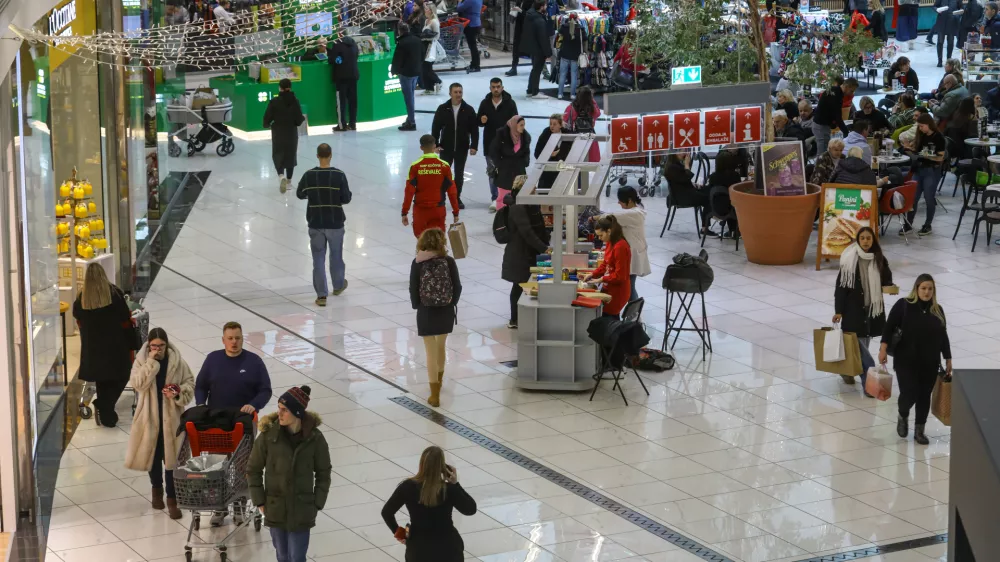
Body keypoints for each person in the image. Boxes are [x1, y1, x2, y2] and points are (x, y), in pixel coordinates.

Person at [247, 385, 332, 562]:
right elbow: (253, 469)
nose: (279, 413)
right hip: (275, 507)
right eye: (279, 408)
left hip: (302, 508)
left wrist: (317, 502)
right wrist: (260, 500)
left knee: (297, 557)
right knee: (282, 556)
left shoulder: (315, 439)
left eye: (284, 410)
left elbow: (323, 472)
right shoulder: (268, 436)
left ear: (298, 413)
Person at [124, 327, 194, 520]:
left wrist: (178, 392)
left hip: (172, 419)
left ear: (167, 344)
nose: (158, 349)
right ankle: (157, 490)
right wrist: (151, 363)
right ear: (148, 345)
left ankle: (172, 499)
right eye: (154, 346)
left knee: (172, 460)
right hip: (149, 418)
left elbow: (190, 383)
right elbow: (138, 384)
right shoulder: (142, 360)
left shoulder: (177, 361)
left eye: (161, 345)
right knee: (152, 457)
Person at [878, 274, 952, 445]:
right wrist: (883, 348)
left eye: (930, 289)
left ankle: (920, 430)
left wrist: (948, 357)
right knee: (909, 392)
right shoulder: (904, 305)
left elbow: (943, 336)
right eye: (923, 288)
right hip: (906, 360)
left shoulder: (937, 310)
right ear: (916, 289)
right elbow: (888, 327)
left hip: (930, 361)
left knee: (924, 395)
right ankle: (903, 414)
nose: (926, 292)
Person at [381, 446, 477, 562]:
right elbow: (470, 509)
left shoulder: (407, 487)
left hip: (418, 550)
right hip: (448, 549)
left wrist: (400, 534)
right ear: (442, 467)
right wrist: (455, 484)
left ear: (421, 464)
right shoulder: (448, 489)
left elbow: (387, 512)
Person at [73, 263, 134, 428]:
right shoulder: (113, 293)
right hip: (115, 345)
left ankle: (106, 412)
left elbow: (77, 317)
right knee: (123, 375)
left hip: (93, 348)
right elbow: (124, 318)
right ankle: (104, 406)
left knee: (102, 380)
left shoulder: (82, 297)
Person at [833, 227, 893, 393]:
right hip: (853, 310)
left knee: (861, 345)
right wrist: (838, 310)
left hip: (872, 310)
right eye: (863, 238)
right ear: (858, 240)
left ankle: (847, 371)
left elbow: (887, 277)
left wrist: (890, 286)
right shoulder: (849, 260)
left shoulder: (879, 258)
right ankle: (869, 381)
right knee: (861, 350)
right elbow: (841, 288)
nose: (866, 241)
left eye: (869, 238)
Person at [409, 229, 462, 407]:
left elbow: (413, 288)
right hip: (445, 310)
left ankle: (434, 395)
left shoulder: (417, 263)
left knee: (430, 353)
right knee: (441, 346)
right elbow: (457, 286)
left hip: (426, 311)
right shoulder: (448, 261)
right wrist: (451, 303)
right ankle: (439, 381)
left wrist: (418, 306)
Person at [296, 143, 352, 305]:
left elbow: (300, 194)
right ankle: (338, 285)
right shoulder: (339, 175)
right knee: (336, 256)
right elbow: (346, 198)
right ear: (331, 155)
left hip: (316, 222)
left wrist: (312, 195)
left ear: (317, 156)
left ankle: (321, 295)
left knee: (318, 260)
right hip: (335, 222)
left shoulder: (309, 175)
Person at [502, 180, 550, 329]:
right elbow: (527, 232)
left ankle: (522, 317)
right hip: (520, 253)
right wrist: (544, 248)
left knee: (524, 284)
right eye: (533, 189)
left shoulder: (527, 203)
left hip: (527, 251)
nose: (535, 191)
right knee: (519, 284)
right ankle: (515, 319)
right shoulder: (517, 207)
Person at [431, 84, 479, 209]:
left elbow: (474, 129)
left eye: (460, 92)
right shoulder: (442, 109)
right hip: (446, 147)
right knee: (443, 174)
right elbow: (436, 127)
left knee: (459, 174)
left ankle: (456, 198)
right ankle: (441, 198)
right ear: (450, 93)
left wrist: (474, 145)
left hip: (462, 147)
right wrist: (435, 145)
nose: (458, 94)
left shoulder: (468, 110)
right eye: (456, 92)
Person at [403, 135, 460, 238]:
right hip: (438, 209)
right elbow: (452, 192)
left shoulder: (415, 166)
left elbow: (409, 192)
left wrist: (404, 212)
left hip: (420, 210)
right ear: (434, 146)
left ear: (421, 148)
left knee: (422, 242)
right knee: (438, 241)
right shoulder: (444, 166)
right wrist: (455, 212)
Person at [477, 78, 519, 211]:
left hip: (506, 145)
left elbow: (517, 123)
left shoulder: (510, 104)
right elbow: (478, 121)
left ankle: (506, 197)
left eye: (498, 87)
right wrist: (481, 120)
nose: (496, 89)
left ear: (502, 87)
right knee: (492, 172)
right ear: (490, 88)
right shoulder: (484, 103)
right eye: (493, 87)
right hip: (490, 144)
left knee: (506, 172)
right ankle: (495, 198)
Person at [904, 114, 946, 236]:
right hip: (919, 168)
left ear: (928, 124)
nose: (920, 128)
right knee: (913, 198)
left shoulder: (939, 137)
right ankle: (908, 223)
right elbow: (917, 151)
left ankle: (928, 224)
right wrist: (909, 149)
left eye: (922, 126)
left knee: (929, 198)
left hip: (931, 170)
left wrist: (928, 156)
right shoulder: (921, 136)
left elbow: (940, 158)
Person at [581, 216, 632, 317]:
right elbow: (605, 264)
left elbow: (620, 276)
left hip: (617, 292)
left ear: (609, 231)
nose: (599, 238)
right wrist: (592, 274)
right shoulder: (610, 242)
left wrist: (601, 279)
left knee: (609, 319)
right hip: (609, 287)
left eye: (601, 235)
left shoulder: (620, 247)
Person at [604, 187, 649, 302]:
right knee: (630, 286)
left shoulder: (634, 213)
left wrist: (593, 217)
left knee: (629, 287)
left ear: (629, 200)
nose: (618, 202)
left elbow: (610, 217)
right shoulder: (634, 212)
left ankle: (634, 314)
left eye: (620, 200)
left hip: (633, 255)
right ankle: (634, 313)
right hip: (632, 253)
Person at [263, 78, 305, 194]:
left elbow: (266, 119)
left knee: (278, 154)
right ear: (290, 87)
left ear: (279, 88)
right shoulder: (295, 101)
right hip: (291, 133)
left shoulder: (274, 102)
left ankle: (281, 176)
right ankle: (289, 182)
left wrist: (268, 124)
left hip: (278, 133)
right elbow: (299, 119)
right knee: (291, 156)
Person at [665, 153, 717, 237]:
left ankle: (711, 217)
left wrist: (693, 184)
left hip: (684, 192)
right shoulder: (673, 167)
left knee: (708, 190)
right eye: (681, 151)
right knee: (708, 198)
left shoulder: (675, 165)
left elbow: (681, 181)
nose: (684, 153)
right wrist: (686, 165)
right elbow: (686, 177)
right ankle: (705, 228)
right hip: (682, 197)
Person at [490, 115, 531, 206]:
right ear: (514, 125)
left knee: (518, 197)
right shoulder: (502, 134)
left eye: (524, 125)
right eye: (521, 125)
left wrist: (525, 162)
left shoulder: (525, 137)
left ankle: (515, 217)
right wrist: (499, 164)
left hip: (519, 170)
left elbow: (526, 152)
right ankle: (502, 217)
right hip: (505, 170)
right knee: (503, 197)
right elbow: (494, 150)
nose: (523, 127)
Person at [813, 78, 858, 156]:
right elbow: (838, 117)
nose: (852, 94)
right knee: (822, 154)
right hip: (821, 126)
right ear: (846, 86)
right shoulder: (836, 95)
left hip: (820, 125)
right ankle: (819, 168)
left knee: (823, 153)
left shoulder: (834, 90)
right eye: (851, 91)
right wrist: (846, 132)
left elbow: (833, 113)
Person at [393, 23, 424, 131]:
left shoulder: (402, 42)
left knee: (408, 98)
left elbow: (398, 59)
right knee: (411, 96)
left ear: (399, 31)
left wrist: (395, 70)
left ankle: (411, 121)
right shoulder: (417, 40)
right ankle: (410, 118)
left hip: (406, 73)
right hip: (416, 72)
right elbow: (423, 54)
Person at [706, 148, 743, 238]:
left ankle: (731, 230)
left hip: (715, 207)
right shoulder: (735, 176)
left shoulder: (713, 177)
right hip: (731, 207)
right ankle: (734, 230)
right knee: (735, 202)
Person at [522, 0, 553, 98]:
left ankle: (530, 90)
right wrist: (548, 52)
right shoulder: (539, 20)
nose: (546, 7)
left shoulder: (531, 15)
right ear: (541, 6)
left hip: (533, 47)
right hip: (539, 49)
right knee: (537, 70)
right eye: (545, 5)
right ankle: (535, 91)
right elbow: (543, 38)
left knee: (534, 69)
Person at [329, 35, 360, 132]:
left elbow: (332, 60)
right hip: (353, 75)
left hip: (341, 77)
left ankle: (342, 125)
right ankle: (353, 124)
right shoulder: (354, 44)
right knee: (352, 101)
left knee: (341, 101)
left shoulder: (337, 45)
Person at [564, 86, 602, 162]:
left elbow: (565, 120)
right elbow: (598, 113)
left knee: (575, 161)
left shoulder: (571, 107)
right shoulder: (592, 108)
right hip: (589, 136)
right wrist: (592, 101)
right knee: (589, 161)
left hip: (575, 137)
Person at [535, 114, 572, 191]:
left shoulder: (568, 134)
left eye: (554, 124)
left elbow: (571, 151)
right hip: (548, 170)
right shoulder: (545, 133)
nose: (552, 126)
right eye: (550, 124)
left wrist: (560, 152)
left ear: (560, 125)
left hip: (563, 170)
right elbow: (537, 152)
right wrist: (549, 155)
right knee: (544, 193)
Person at [556, 14, 587, 100]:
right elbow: (585, 39)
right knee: (574, 75)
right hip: (575, 55)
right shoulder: (580, 29)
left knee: (562, 74)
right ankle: (572, 94)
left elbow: (560, 35)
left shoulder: (563, 27)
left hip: (564, 54)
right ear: (577, 18)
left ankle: (560, 93)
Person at [507, 0, 535, 76]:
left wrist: (520, 11)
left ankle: (538, 68)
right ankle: (514, 68)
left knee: (533, 48)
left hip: (528, 27)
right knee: (516, 46)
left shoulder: (532, 2)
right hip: (519, 27)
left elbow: (532, 15)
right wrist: (514, 10)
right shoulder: (519, 1)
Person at [420, 5, 442, 94]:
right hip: (424, 44)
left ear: (431, 11)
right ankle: (429, 88)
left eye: (426, 9)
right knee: (424, 67)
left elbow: (437, 35)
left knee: (427, 67)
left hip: (430, 45)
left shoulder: (434, 22)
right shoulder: (426, 21)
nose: (425, 11)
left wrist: (428, 37)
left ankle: (438, 81)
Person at [456, 0, 482, 71]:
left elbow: (459, 8)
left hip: (471, 25)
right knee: (473, 46)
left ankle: (476, 66)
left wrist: (460, 1)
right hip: (476, 23)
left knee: (472, 46)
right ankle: (474, 64)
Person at [933, 0, 960, 64]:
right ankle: (939, 60)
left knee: (950, 42)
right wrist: (937, 10)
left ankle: (949, 60)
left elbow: (961, 8)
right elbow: (934, 6)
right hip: (941, 22)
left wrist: (957, 14)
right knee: (940, 42)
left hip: (952, 22)